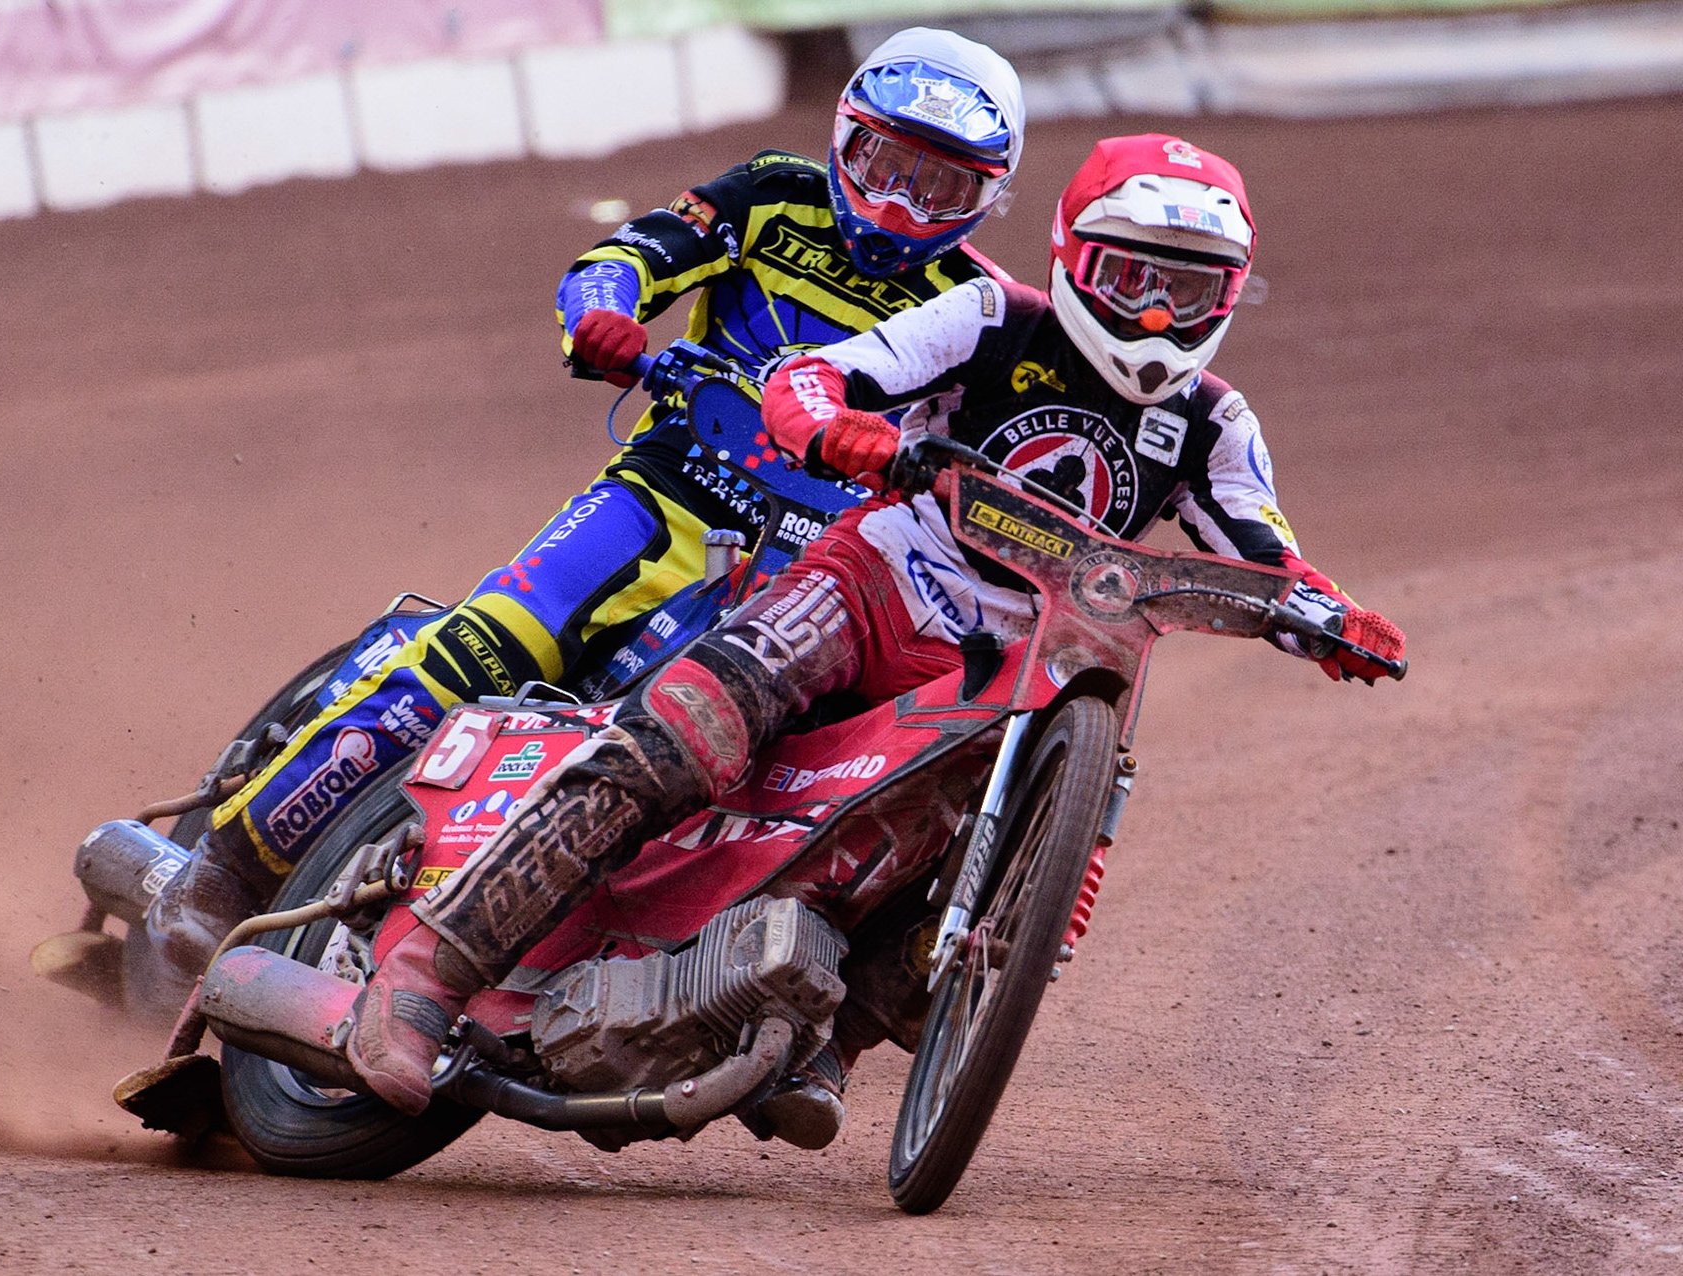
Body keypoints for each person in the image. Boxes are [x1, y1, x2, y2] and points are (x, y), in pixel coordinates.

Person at [338, 135, 1408, 1148]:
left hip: (1019, 664)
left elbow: (1268, 555)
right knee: (691, 730)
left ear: (1229, 295)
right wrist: (838, 426)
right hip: (879, 581)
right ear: (1077, 259)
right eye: (1134, 279)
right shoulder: (990, 317)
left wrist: (1332, 620)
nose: (1159, 313)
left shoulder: (1216, 425)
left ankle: (822, 1042)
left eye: (1190, 288)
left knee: (997, 867)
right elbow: (818, 375)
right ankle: (425, 975)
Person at [135, 28, 1031, 991]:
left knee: (737, 776)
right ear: (843, 140)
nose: (900, 205)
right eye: (883, 165)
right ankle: (227, 870)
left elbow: (1003, 468)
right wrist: (605, 315)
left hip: (813, 574)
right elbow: (624, 258)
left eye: (940, 187)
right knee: (490, 644)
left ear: (991, 198)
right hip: (664, 491)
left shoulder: (983, 310)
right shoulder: (772, 192)